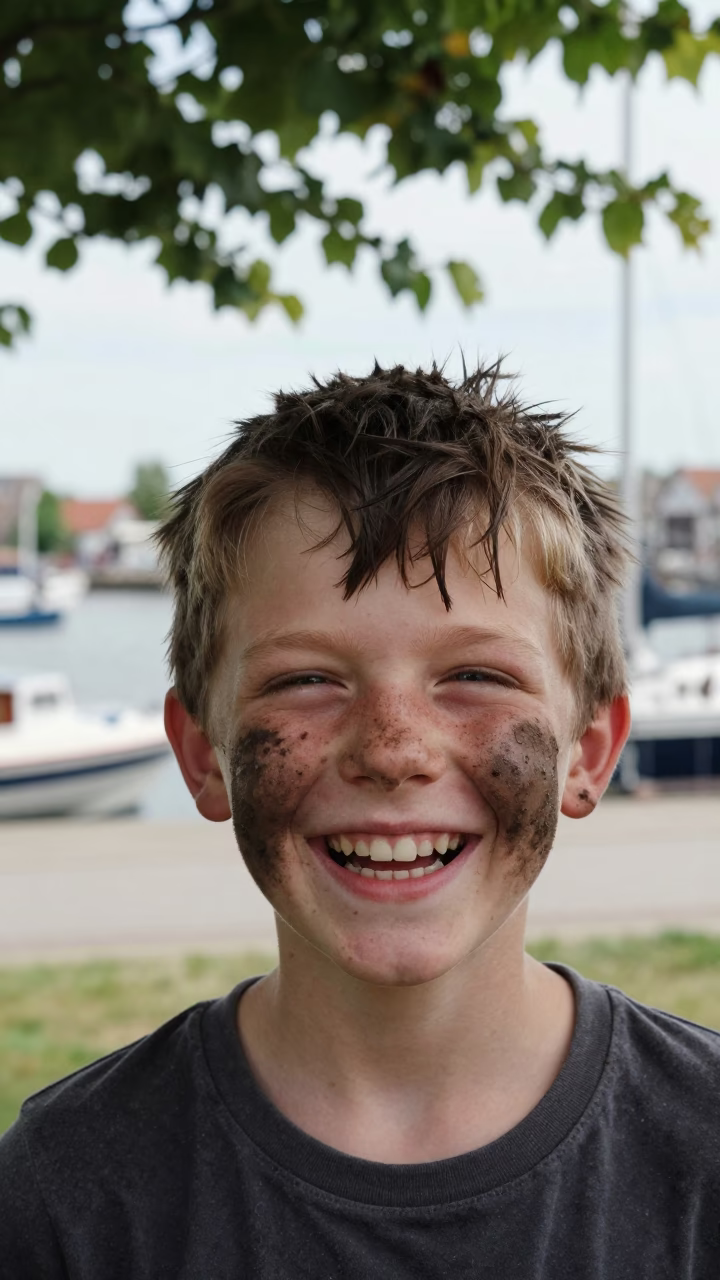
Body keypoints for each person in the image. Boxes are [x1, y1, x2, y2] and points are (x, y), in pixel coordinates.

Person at [1, 362, 718, 1278]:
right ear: (201, 754)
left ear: (587, 751)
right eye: (306, 679)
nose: (392, 749)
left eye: (476, 676)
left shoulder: (701, 1156)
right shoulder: (66, 1194)